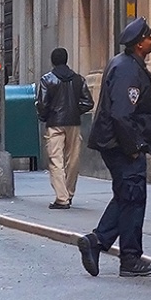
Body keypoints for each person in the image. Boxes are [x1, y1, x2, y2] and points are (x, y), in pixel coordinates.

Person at [77, 17, 151, 278]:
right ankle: (130, 258)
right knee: (134, 197)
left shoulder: (127, 64)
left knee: (128, 196)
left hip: (117, 143)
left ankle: (97, 241)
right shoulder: (127, 69)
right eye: (149, 37)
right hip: (122, 145)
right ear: (139, 44)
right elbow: (121, 114)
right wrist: (135, 146)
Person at [35, 47, 94, 209]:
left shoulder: (47, 79)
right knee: (73, 159)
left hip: (55, 123)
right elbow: (88, 102)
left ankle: (62, 198)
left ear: (53, 61)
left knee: (56, 160)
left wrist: (44, 116)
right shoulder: (78, 79)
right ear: (66, 60)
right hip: (73, 123)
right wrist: (75, 110)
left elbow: (43, 104)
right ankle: (69, 192)